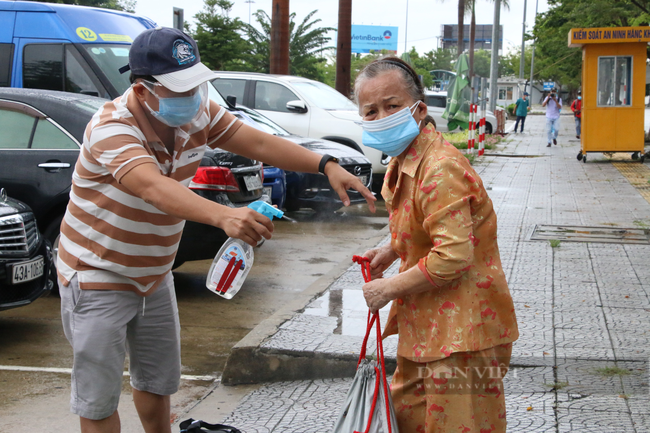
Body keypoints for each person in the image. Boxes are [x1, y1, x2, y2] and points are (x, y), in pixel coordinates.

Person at [57, 27, 375, 433]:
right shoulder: (111, 128)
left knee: (157, 384)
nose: (194, 96)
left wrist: (326, 163)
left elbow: (257, 142)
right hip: (98, 272)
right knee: (99, 400)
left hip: (155, 273)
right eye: (180, 88)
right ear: (142, 91)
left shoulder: (198, 111)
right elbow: (153, 187)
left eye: (196, 84)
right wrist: (224, 216)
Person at [354, 57, 518, 433]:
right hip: (425, 326)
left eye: (392, 106)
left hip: (462, 335)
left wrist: (387, 288)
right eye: (371, 111)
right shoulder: (405, 162)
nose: (382, 116)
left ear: (419, 110)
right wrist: (392, 250)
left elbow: (453, 256)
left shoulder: (439, 167)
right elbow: (424, 225)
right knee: (410, 420)